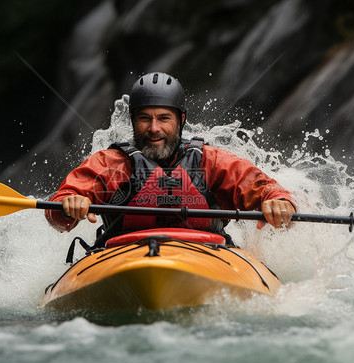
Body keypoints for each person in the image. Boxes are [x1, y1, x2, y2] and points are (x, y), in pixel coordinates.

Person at [45, 72, 296, 244]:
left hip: (208, 252)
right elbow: (58, 211)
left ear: (181, 120)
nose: (154, 128)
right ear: (133, 121)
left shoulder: (211, 161)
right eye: (145, 118)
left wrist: (279, 202)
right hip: (122, 253)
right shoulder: (111, 163)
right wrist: (70, 205)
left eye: (164, 118)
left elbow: (266, 190)